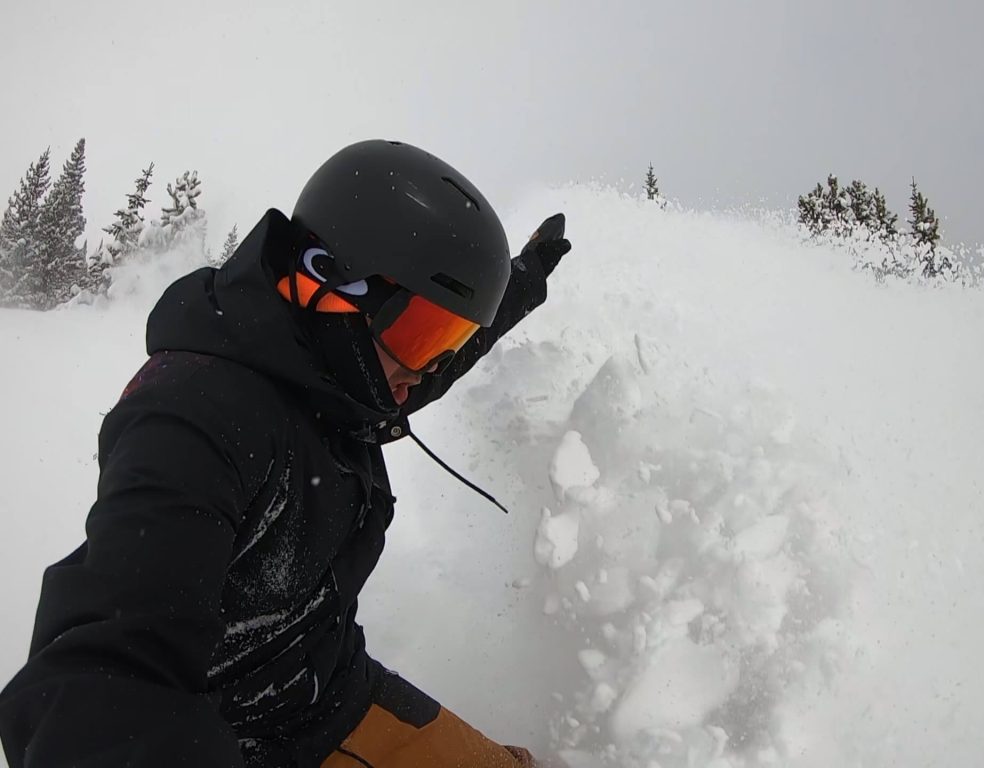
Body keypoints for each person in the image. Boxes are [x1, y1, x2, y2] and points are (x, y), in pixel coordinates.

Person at [0, 140, 571, 767]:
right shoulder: (193, 413)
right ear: (328, 283)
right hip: (240, 739)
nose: (425, 369)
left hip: (333, 690)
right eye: (421, 334)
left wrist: (524, 280)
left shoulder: (342, 375)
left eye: (446, 338)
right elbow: (98, 692)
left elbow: (432, 367)